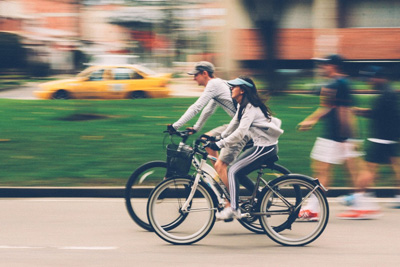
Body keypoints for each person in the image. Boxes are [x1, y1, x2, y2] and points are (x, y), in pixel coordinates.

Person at [297, 54, 365, 220]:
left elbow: (344, 110)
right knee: (346, 170)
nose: (322, 67)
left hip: (336, 136)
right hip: (339, 136)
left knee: (324, 170)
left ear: (334, 66)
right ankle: (361, 205)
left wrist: (346, 137)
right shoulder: (340, 83)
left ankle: (313, 209)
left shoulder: (338, 83)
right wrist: (311, 121)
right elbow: (329, 108)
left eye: (325, 65)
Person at [207, 76, 283, 220]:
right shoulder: (243, 106)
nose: (231, 89)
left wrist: (219, 144)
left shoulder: (250, 107)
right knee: (239, 173)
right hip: (261, 146)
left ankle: (233, 209)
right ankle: (259, 197)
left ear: (242, 90)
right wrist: (218, 137)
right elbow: (233, 125)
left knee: (233, 171)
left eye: (234, 87)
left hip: (265, 148)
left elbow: (240, 133)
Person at [167, 61, 251, 191]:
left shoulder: (213, 84)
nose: (194, 78)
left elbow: (197, 107)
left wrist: (175, 126)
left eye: (195, 75)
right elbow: (208, 110)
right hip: (238, 124)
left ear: (204, 73)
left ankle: (230, 199)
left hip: (244, 128)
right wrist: (196, 128)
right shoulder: (217, 85)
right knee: (206, 140)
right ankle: (221, 178)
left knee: (221, 164)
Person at [350, 66, 400, 212]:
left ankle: (358, 198)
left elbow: (376, 114)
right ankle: (398, 198)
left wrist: (357, 111)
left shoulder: (386, 94)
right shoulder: (388, 91)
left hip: (380, 138)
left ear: (379, 77)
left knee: (368, 169)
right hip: (388, 137)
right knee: (396, 167)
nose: (369, 81)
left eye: (371, 78)